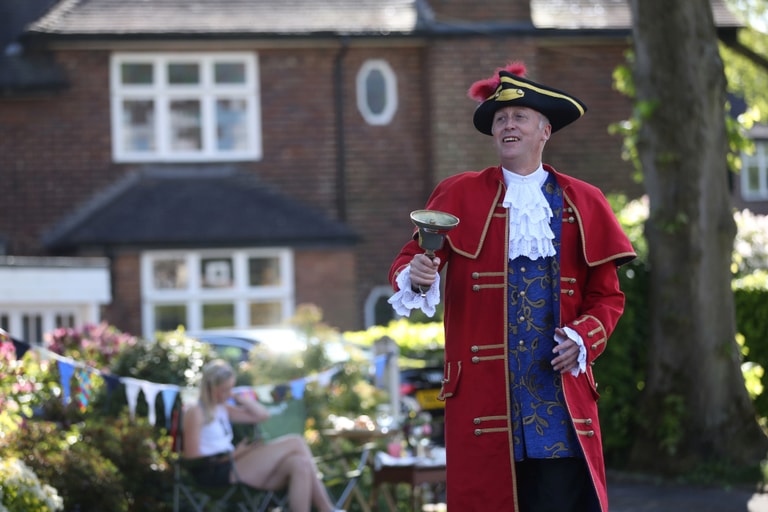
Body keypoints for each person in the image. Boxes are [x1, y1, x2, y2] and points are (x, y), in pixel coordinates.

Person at [388, 62, 636, 512]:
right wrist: (417, 276)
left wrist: (583, 338)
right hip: (482, 396)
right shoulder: (459, 194)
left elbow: (607, 297)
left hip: (557, 396)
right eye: (500, 118)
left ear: (545, 131)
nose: (507, 125)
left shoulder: (583, 200)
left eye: (519, 117)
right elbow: (414, 260)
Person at [182, 359, 343, 512]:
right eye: (224, 389)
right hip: (217, 473)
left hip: (234, 464)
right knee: (296, 441)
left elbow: (262, 415)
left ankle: (325, 509)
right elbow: (193, 459)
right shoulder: (196, 411)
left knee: (299, 464)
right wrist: (235, 454)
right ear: (210, 386)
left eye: (231, 388)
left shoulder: (223, 408)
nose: (228, 394)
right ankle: (326, 508)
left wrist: (237, 397)